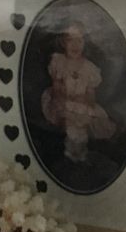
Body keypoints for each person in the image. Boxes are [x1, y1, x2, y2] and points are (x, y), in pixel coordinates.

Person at [41, 24, 113, 162]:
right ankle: (68, 150)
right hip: (63, 99)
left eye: (79, 40)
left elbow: (91, 95)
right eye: (70, 40)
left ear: (85, 43)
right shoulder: (59, 61)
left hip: (81, 102)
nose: (75, 45)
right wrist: (60, 97)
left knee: (84, 116)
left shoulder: (90, 69)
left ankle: (80, 150)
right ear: (63, 42)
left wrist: (86, 102)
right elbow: (56, 87)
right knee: (67, 115)